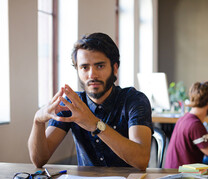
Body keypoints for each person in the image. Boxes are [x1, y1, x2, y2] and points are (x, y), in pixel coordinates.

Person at [28, 32, 153, 170]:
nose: (92, 75)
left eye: (100, 66)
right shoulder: (72, 104)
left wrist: (95, 124)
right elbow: (39, 160)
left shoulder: (134, 100)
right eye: (84, 67)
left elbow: (141, 160)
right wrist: (38, 121)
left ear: (115, 68)